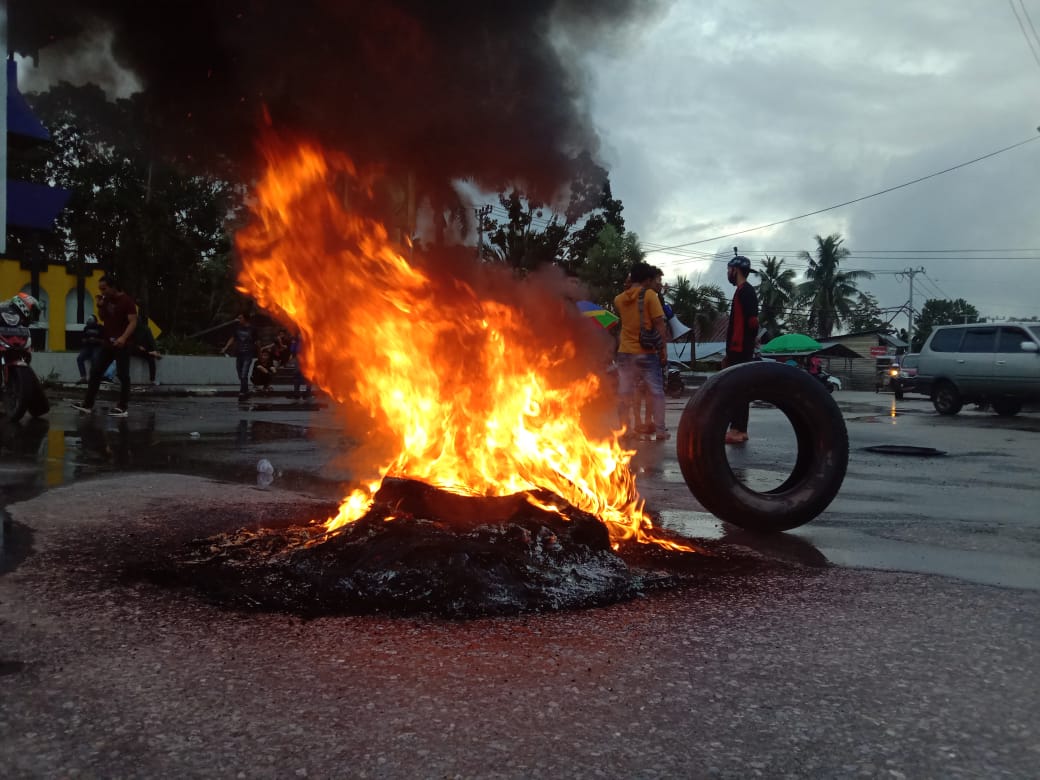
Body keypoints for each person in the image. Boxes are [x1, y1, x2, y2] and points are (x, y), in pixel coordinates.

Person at [614, 262, 670, 442]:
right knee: (656, 392)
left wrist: (628, 284)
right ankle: (660, 431)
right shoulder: (650, 296)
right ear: (647, 279)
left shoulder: (619, 299)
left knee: (625, 392)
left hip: (625, 352)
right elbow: (660, 323)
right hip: (647, 352)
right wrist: (663, 349)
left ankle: (625, 429)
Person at [72, 275, 138, 418]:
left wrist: (123, 338)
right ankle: (88, 405)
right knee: (95, 372)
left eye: (104, 288)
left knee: (122, 375)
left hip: (123, 344)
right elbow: (102, 318)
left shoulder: (127, 301)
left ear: (113, 287)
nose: (102, 291)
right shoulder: (106, 300)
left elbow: (133, 322)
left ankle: (122, 407)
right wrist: (100, 306)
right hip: (108, 343)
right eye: (100, 289)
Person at [723, 254, 759, 444]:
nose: (728, 273)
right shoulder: (740, 291)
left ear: (735, 270)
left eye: (729, 269)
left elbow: (752, 321)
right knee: (737, 389)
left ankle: (738, 429)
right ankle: (738, 428)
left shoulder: (746, 292)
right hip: (737, 349)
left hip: (741, 349)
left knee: (738, 390)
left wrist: (748, 345)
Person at [222, 313, 259, 400]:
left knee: (244, 374)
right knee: (240, 374)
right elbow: (233, 338)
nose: (238, 319)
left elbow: (257, 342)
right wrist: (225, 347)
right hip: (239, 354)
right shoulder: (237, 328)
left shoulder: (253, 329)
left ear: (245, 319)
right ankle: (246, 391)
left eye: (240, 318)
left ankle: (242, 392)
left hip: (248, 354)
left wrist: (259, 353)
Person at [131, 312, 162, 386]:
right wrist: (138, 346)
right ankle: (151, 353)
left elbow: (151, 341)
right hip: (134, 348)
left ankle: (152, 380)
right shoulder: (132, 328)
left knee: (151, 359)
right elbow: (129, 340)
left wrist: (156, 351)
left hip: (143, 350)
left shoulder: (145, 329)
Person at [76, 315, 104, 383]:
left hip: (97, 346)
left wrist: (96, 340)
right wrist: (86, 340)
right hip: (88, 346)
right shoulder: (86, 328)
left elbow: (104, 341)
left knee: (95, 358)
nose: (90, 324)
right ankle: (83, 377)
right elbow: (83, 339)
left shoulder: (100, 328)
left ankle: (93, 377)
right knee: (79, 358)